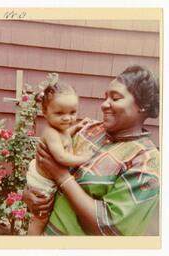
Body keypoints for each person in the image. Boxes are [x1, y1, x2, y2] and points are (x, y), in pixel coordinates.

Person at [23, 64, 160, 236]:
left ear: (143, 105)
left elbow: (110, 227)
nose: (104, 105)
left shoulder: (146, 161)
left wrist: (61, 176)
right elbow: (46, 166)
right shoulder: (88, 129)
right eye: (105, 97)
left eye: (115, 98)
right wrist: (30, 194)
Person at [26, 74, 91, 235]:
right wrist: (83, 158)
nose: (68, 118)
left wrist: (76, 127)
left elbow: (65, 135)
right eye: (60, 113)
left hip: (46, 180)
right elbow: (61, 157)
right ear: (45, 112)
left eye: (73, 112)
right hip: (42, 184)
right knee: (40, 217)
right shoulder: (51, 133)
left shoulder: (60, 130)